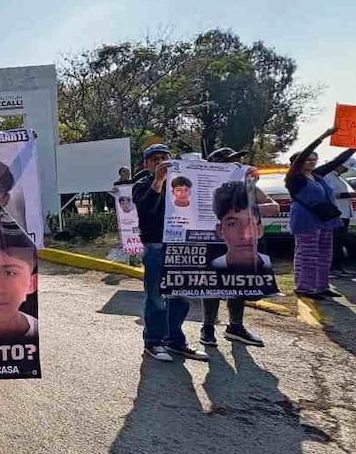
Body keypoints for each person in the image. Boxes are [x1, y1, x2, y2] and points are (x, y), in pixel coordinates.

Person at [132, 143, 208, 362]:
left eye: (165, 157)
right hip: (156, 245)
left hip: (182, 245)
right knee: (156, 297)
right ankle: (154, 342)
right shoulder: (142, 184)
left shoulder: (183, 183)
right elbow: (145, 209)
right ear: (146, 164)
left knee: (181, 295)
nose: (161, 162)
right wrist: (158, 180)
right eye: (155, 159)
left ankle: (175, 340)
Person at [199, 148, 280, 347]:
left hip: (243, 241)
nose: (236, 164)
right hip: (212, 240)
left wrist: (246, 210)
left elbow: (274, 207)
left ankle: (235, 326)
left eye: (237, 160)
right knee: (212, 284)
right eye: (230, 161)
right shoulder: (205, 184)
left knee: (238, 282)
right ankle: (207, 327)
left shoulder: (248, 186)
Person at [285, 127, 355, 299]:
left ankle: (321, 286)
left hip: (324, 218)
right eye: (307, 160)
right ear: (298, 163)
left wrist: (353, 146)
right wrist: (323, 136)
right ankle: (305, 288)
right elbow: (304, 154)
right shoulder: (295, 177)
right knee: (308, 254)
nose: (311, 162)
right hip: (305, 219)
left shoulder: (316, 175)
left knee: (325, 253)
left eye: (314, 159)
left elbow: (335, 162)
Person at [323, 158, 356, 274]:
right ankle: (332, 268)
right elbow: (330, 194)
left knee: (340, 242)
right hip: (336, 214)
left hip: (344, 214)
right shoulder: (328, 177)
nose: (346, 170)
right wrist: (351, 194)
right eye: (345, 167)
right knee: (334, 242)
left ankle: (338, 267)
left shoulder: (339, 178)